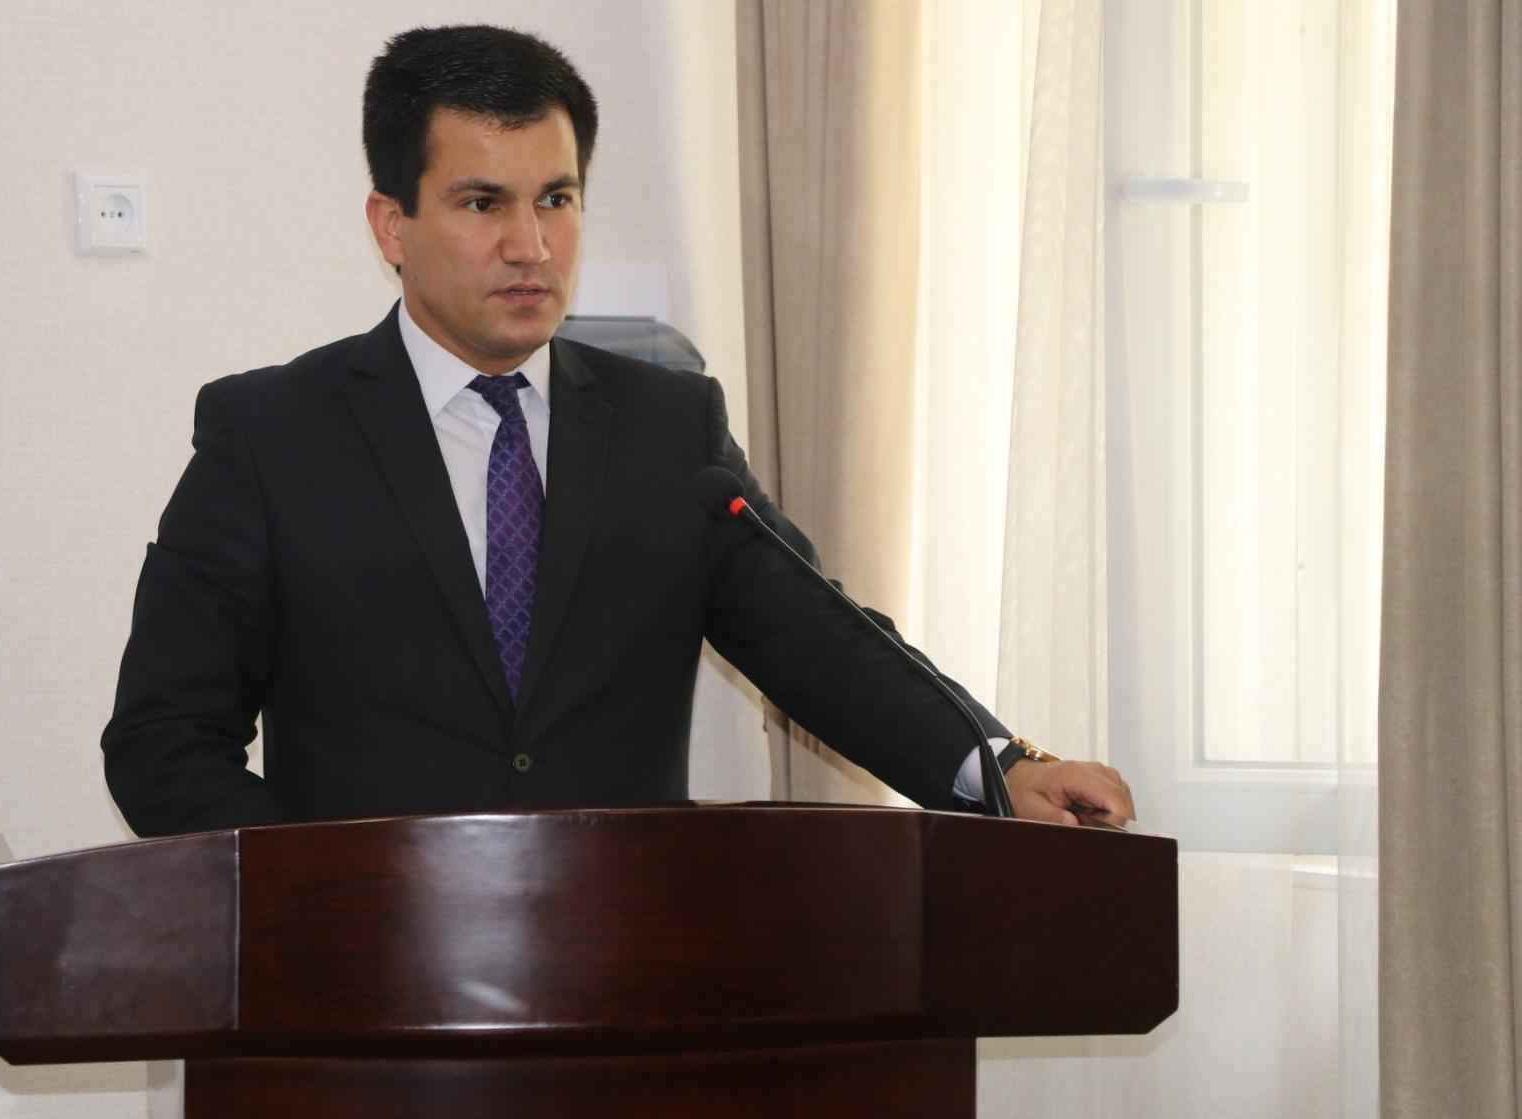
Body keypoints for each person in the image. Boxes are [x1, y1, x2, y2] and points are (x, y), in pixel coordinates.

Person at [101, 24, 1134, 838]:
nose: (531, 245)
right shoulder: (271, 437)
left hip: (623, 977)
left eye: (556, 198)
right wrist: (333, 898)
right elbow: (163, 741)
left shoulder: (670, 433)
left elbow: (821, 642)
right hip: (363, 996)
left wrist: (999, 767)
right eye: (482, 203)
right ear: (391, 225)